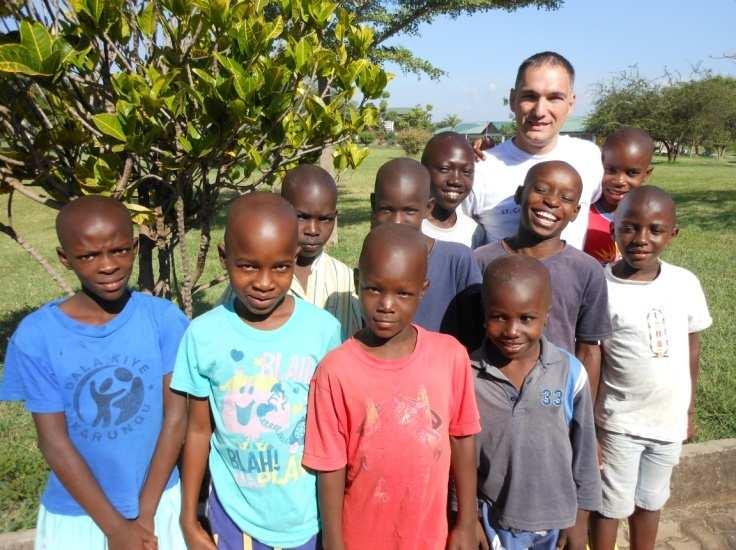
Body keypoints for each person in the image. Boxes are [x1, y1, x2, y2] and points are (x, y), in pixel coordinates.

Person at [0, 196, 189, 549]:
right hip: (78, 513)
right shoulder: (36, 337)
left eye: (119, 251)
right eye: (89, 256)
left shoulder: (163, 320)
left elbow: (175, 419)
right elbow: (53, 441)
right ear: (64, 257)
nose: (107, 266)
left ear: (134, 247)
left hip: (160, 501)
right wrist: (116, 528)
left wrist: (144, 515)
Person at [172, 193, 342, 550]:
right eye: (248, 266)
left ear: (294, 259)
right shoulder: (203, 336)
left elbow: (334, 433)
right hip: (237, 520)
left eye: (280, 267)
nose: (264, 282)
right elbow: (199, 430)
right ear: (224, 257)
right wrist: (188, 517)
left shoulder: (323, 331)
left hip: (309, 517)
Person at [302, 223, 481, 549]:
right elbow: (329, 468)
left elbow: (463, 438)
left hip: (430, 537)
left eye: (403, 293)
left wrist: (467, 520)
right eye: (374, 289)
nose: (387, 304)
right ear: (358, 282)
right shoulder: (335, 371)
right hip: (361, 537)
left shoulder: (450, 356)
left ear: (422, 289)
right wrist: (333, 543)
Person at [591, 187, 712, 550]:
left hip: (667, 423)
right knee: (610, 506)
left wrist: (688, 411)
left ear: (672, 234)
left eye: (655, 230)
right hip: (618, 424)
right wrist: (591, 428)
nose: (641, 239)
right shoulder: (601, 285)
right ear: (613, 229)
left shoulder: (684, 283)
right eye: (629, 227)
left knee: (651, 501)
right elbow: (593, 358)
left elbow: (692, 348)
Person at [472, 255, 601, 550]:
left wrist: (581, 519)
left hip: (559, 521)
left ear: (546, 315)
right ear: (484, 314)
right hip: (496, 520)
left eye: (526, 318)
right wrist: (468, 517)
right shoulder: (467, 375)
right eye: (499, 317)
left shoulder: (570, 373)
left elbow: (584, 453)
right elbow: (459, 457)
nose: (512, 330)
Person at [473, 161, 612, 400]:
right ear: (519, 195)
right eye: (541, 189)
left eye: (566, 198)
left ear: (576, 212)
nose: (552, 201)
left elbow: (589, 349)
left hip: (556, 398)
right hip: (489, 393)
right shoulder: (481, 261)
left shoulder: (587, 270)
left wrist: (583, 416)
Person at [467, 51, 603, 249]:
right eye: (530, 96)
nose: (539, 111)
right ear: (513, 99)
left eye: (554, 98)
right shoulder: (480, 167)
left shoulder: (588, 157)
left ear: (571, 104)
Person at [221, 164, 362, 339]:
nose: (313, 229)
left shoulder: (344, 278)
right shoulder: (252, 281)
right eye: (302, 216)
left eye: (325, 219)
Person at [371, 157, 482, 337]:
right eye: (387, 209)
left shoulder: (457, 260)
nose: (397, 222)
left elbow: (474, 333)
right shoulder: (372, 258)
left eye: (409, 211)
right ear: (373, 204)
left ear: (428, 207)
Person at [584, 128, 654, 264]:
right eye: (610, 170)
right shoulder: (580, 213)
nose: (619, 181)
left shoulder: (648, 217)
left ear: (646, 174)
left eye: (632, 173)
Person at [421, 131, 486, 249]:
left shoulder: (474, 233)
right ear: (423, 169)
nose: (456, 181)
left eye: (466, 172)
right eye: (445, 169)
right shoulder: (410, 225)